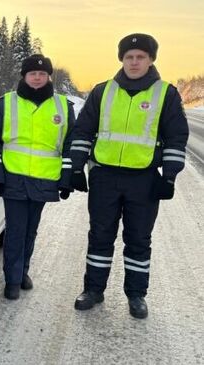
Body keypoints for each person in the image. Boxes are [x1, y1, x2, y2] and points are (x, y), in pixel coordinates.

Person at [70, 33, 189, 318]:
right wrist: (76, 167)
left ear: (150, 60)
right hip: (105, 177)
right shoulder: (102, 91)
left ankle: (136, 295)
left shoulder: (166, 94)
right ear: (121, 59)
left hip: (144, 180)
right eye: (129, 57)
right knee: (100, 236)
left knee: (138, 239)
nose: (134, 62)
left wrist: (169, 176)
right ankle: (93, 290)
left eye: (140, 57)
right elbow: (83, 130)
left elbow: (176, 137)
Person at [0, 54, 75, 300]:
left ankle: (23, 271)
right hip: (13, 177)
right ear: (24, 76)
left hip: (45, 179)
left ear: (49, 77)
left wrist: (67, 178)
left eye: (42, 73)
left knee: (31, 230)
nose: (37, 77)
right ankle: (12, 280)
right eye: (33, 73)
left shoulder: (63, 107)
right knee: (15, 230)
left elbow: (69, 145)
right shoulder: (6, 104)